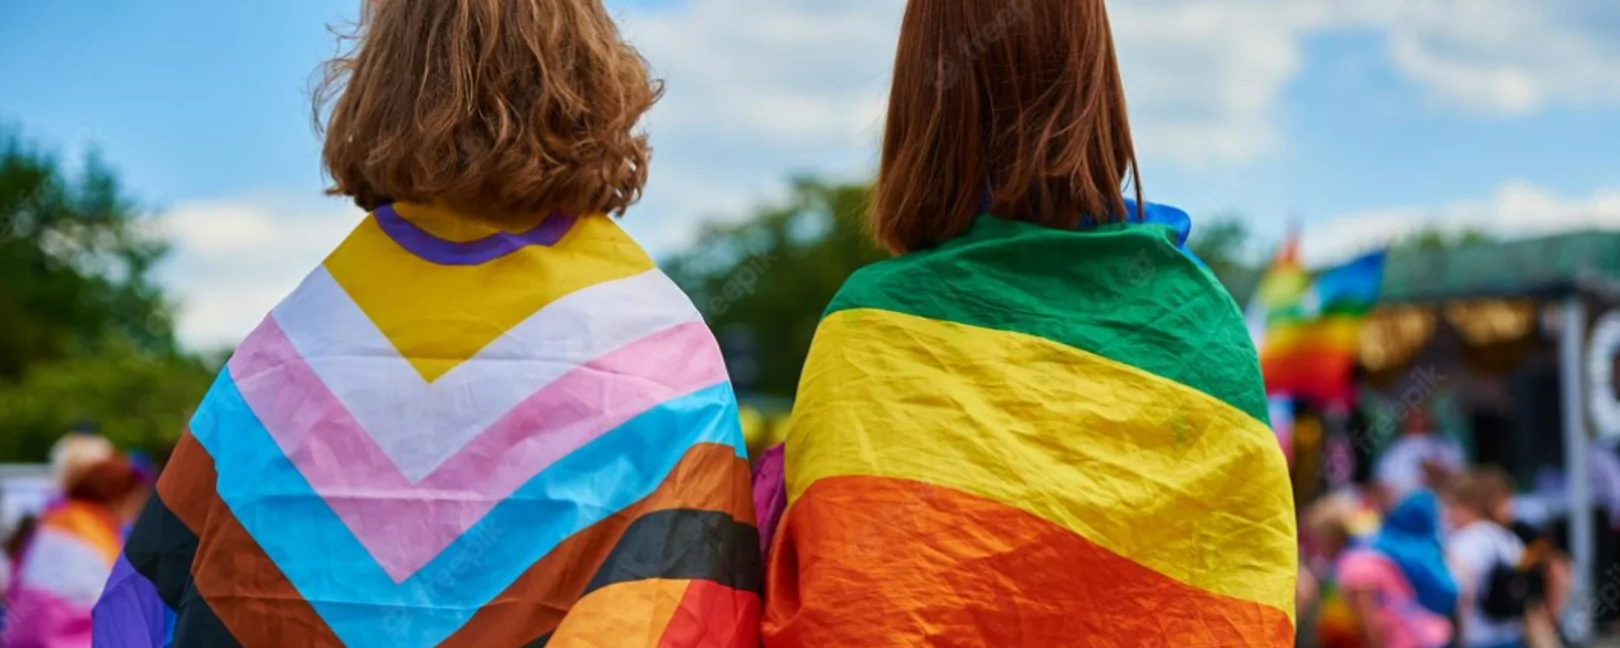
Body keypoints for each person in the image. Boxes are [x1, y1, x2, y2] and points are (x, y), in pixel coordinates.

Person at [92, 1, 758, 646]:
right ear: (590, 75)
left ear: (386, 80)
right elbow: (690, 611)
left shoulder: (286, 352)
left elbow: (157, 600)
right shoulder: (661, 351)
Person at [759, 1, 1296, 645]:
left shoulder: (873, 326)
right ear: (1097, 84)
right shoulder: (1203, 328)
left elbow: (854, 615)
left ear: (921, 101)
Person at [5, 457, 148, 648]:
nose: (135, 512)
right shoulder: (92, 530)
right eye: (135, 502)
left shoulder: (58, 517)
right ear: (118, 497)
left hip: (22, 634)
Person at [1304, 495, 1452, 648]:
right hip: (1427, 633)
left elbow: (1370, 624)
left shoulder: (1352, 568)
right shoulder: (1367, 554)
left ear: (1328, 538)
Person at [1443, 469, 1529, 648]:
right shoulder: (1510, 539)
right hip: (1511, 634)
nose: (1447, 515)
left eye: (1452, 506)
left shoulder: (1464, 541)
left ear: (1468, 506)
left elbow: (1461, 591)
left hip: (1477, 637)